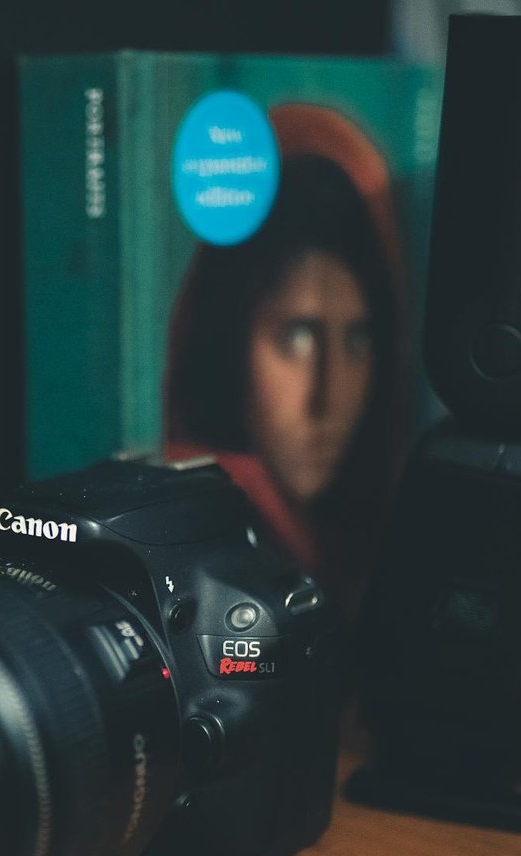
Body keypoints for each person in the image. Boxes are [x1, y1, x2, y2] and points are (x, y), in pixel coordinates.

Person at [164, 117, 407, 611]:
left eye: (358, 339)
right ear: (228, 342)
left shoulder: (346, 549)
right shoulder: (191, 541)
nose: (326, 399)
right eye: (296, 337)